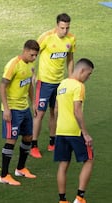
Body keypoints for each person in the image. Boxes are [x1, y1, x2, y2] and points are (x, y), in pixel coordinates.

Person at [30, 13, 76, 158]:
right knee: (39, 113)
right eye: (62, 28)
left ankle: (52, 142)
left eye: (67, 28)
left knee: (55, 112)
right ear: (56, 25)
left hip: (59, 82)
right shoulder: (46, 37)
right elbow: (32, 55)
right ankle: (34, 145)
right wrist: (33, 75)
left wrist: (70, 78)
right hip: (44, 82)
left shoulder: (71, 39)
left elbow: (70, 59)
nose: (64, 31)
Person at [0, 40, 40, 186]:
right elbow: (2, 86)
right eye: (32, 55)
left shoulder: (30, 65)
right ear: (25, 50)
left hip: (24, 108)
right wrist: (6, 109)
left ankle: (21, 168)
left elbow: (29, 85)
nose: (34, 58)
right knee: (11, 140)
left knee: (28, 136)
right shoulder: (13, 65)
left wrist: (34, 102)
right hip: (13, 109)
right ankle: (4, 175)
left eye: (36, 55)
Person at [54, 58, 94, 203]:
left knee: (63, 165)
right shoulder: (79, 86)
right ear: (82, 70)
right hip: (75, 131)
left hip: (61, 131)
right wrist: (85, 133)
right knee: (89, 160)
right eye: (88, 74)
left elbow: (56, 109)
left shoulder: (62, 84)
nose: (88, 78)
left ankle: (62, 200)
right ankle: (79, 197)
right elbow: (77, 111)